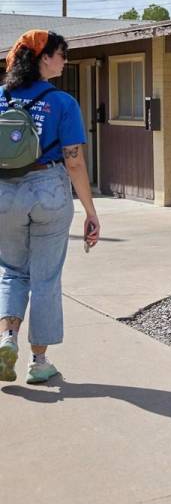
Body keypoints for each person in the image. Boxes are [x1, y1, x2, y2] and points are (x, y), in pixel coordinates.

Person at [0, 30, 100, 384]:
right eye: (61, 54)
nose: (65, 60)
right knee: (45, 277)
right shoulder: (63, 103)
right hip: (49, 191)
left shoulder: (0, 98)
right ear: (43, 57)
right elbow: (74, 161)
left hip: (5, 194)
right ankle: (38, 362)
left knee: (12, 271)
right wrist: (90, 211)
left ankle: (6, 337)